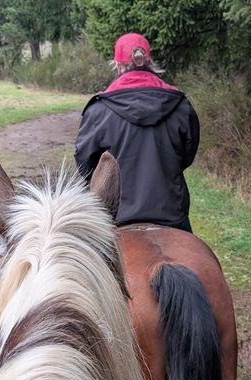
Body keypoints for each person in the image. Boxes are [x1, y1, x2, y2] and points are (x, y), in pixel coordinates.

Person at [75, 33, 200, 233]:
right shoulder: (180, 104)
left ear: (117, 65)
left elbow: (85, 167)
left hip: (114, 217)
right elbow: (186, 157)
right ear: (149, 62)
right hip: (172, 215)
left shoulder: (99, 109)